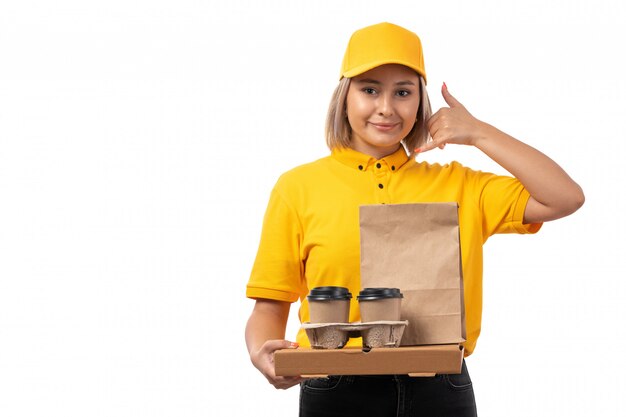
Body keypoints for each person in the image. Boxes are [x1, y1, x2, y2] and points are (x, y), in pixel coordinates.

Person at [245, 22, 584, 416]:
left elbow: (565, 197)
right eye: (369, 89)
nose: (387, 107)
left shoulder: (459, 185)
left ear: (420, 102)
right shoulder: (297, 188)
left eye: (403, 92)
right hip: (335, 385)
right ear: (344, 97)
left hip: (439, 386)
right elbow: (270, 306)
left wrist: (479, 133)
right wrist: (262, 353)